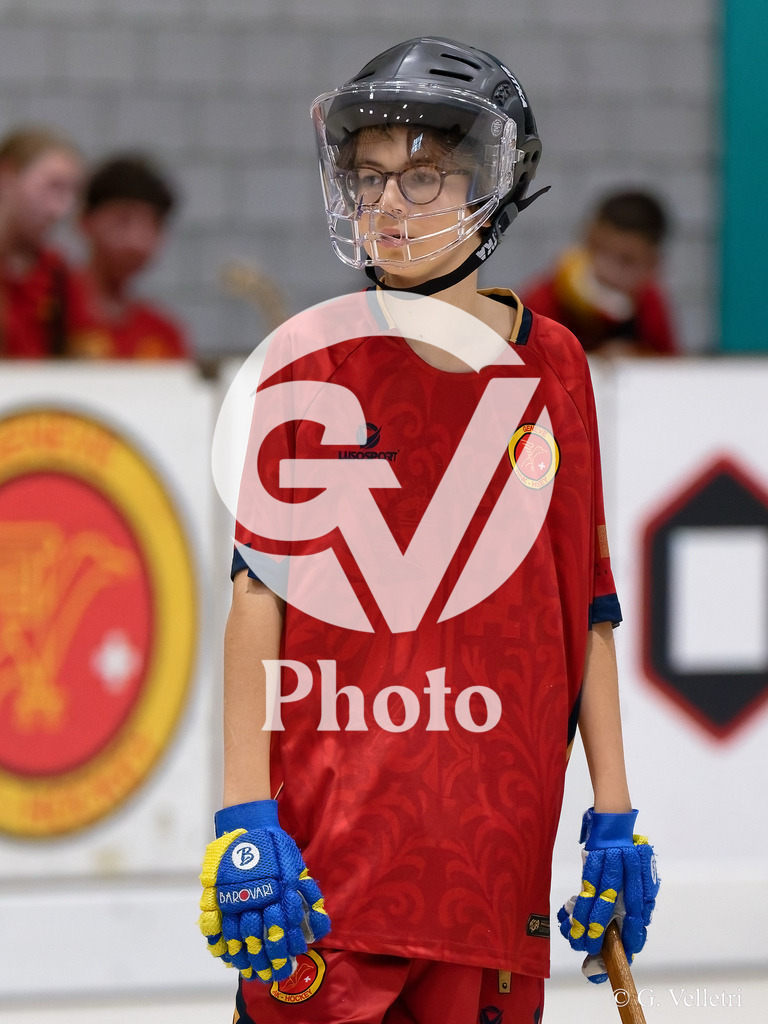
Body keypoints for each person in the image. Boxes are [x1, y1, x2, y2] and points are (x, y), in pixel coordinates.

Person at [199, 38, 659, 1024]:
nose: (389, 207)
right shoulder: (308, 364)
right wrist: (244, 819)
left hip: (493, 880)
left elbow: (586, 604)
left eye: (421, 177)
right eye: (367, 180)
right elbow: (255, 599)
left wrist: (612, 809)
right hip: (328, 878)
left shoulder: (560, 367)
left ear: (489, 186)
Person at [520, 189, 679, 355]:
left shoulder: (648, 303)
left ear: (652, 265)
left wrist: (638, 359)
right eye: (597, 250)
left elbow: (671, 371)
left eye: (626, 261)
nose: (607, 270)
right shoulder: (544, 301)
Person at [66, 154, 189, 359]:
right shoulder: (48, 312)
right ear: (84, 221)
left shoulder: (163, 333)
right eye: (123, 220)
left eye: (154, 225)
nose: (138, 242)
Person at [0, 125, 83, 359]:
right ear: (6, 176)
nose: (60, 209)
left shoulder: (57, 273)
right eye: (53, 186)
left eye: (71, 193)